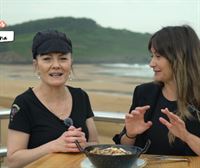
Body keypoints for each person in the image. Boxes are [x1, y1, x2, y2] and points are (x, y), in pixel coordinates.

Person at [7, 30, 99, 168]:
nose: (56, 65)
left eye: (63, 58)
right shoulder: (23, 103)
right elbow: (13, 160)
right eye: (47, 59)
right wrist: (54, 146)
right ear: (36, 65)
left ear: (71, 63)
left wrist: (82, 144)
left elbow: (94, 144)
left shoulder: (81, 96)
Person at [113, 25, 200, 156]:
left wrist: (187, 136)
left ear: (180, 58)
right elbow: (123, 150)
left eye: (158, 56)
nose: (151, 63)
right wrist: (131, 135)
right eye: (152, 56)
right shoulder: (144, 92)